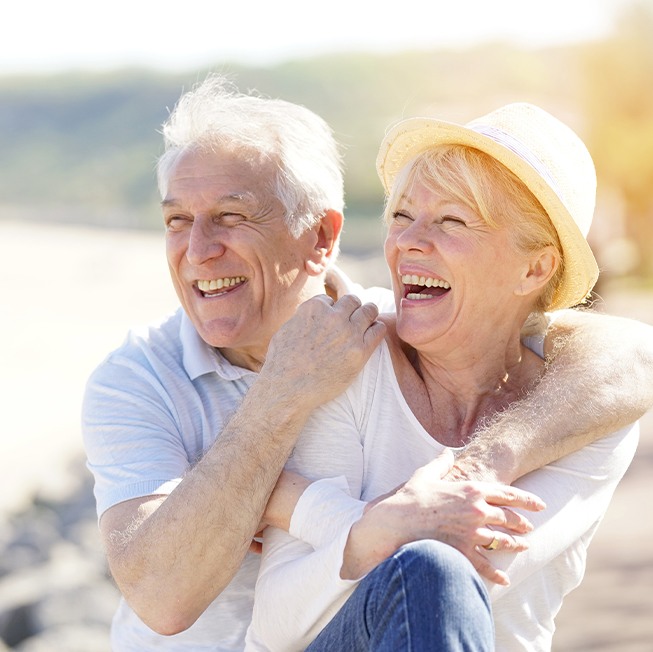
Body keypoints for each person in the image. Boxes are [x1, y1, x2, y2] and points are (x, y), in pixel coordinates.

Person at [81, 75, 653, 651]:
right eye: (177, 220)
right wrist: (282, 397)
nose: (198, 249)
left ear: (322, 237)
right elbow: (162, 598)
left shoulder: (376, 350)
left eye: (232, 216)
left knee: (432, 572)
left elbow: (631, 353)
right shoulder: (139, 379)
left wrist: (304, 502)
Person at [245, 103, 643, 652]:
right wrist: (374, 528)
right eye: (402, 216)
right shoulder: (354, 365)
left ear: (535, 268)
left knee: (434, 573)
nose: (409, 241)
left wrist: (309, 508)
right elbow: (278, 626)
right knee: (427, 570)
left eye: (452, 221)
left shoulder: (588, 412)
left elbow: (472, 573)